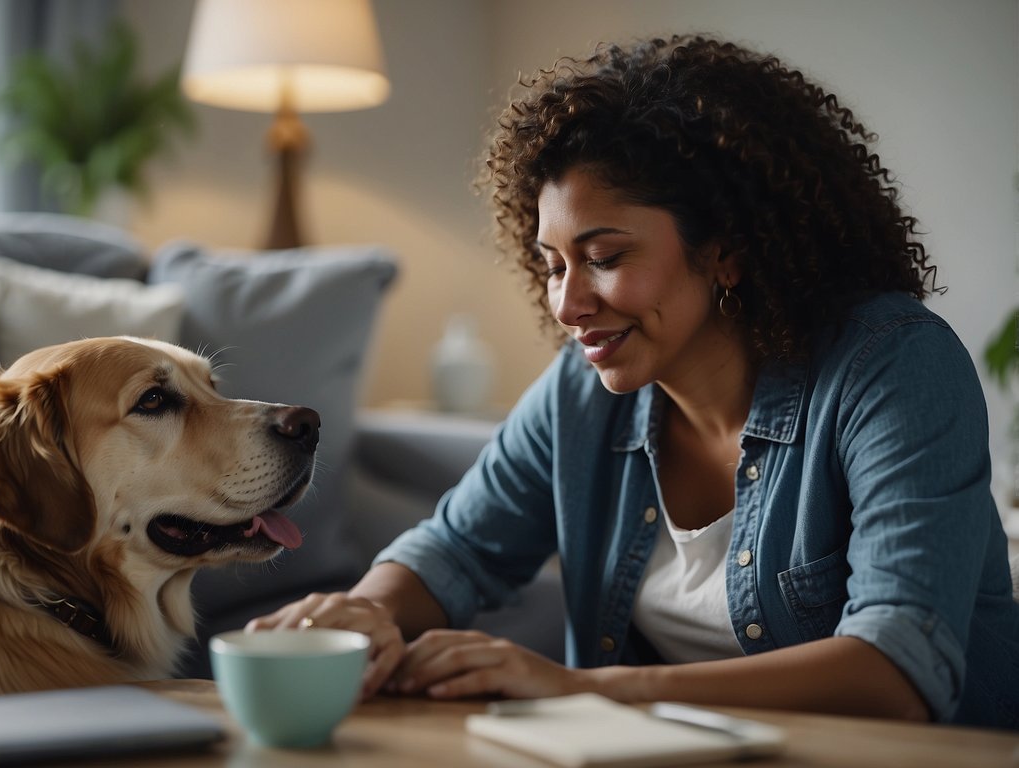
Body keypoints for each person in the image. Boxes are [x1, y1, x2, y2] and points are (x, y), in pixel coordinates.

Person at [248, 35, 1019, 729]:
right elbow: (455, 551)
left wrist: (588, 690)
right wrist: (362, 614)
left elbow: (897, 671)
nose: (566, 304)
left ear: (728, 250)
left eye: (605, 258)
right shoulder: (581, 394)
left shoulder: (892, 366)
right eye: (552, 265)